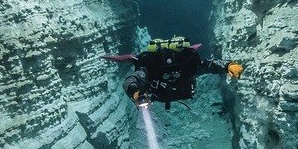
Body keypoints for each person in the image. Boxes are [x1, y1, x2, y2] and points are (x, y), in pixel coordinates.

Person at [103, 36, 243, 110]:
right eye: (168, 73)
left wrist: (228, 66)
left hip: (164, 95)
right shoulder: (151, 67)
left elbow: (209, 65)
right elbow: (131, 81)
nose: (171, 76)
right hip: (163, 95)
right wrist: (135, 92)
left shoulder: (188, 64)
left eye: (174, 72)